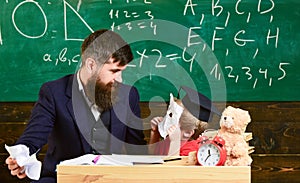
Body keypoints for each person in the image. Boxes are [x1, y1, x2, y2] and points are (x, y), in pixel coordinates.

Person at [5, 29, 147, 182]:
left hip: (111, 179)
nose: (120, 79)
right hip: (60, 179)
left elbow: (136, 148)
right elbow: (34, 136)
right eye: (114, 71)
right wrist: (20, 156)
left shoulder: (129, 95)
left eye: (122, 72)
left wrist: (162, 137)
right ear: (91, 64)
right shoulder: (53, 92)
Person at [149, 86, 220, 156]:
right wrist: (155, 133)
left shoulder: (192, 150)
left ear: (187, 133)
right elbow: (152, 157)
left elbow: (173, 166)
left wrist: (175, 142)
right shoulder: (168, 140)